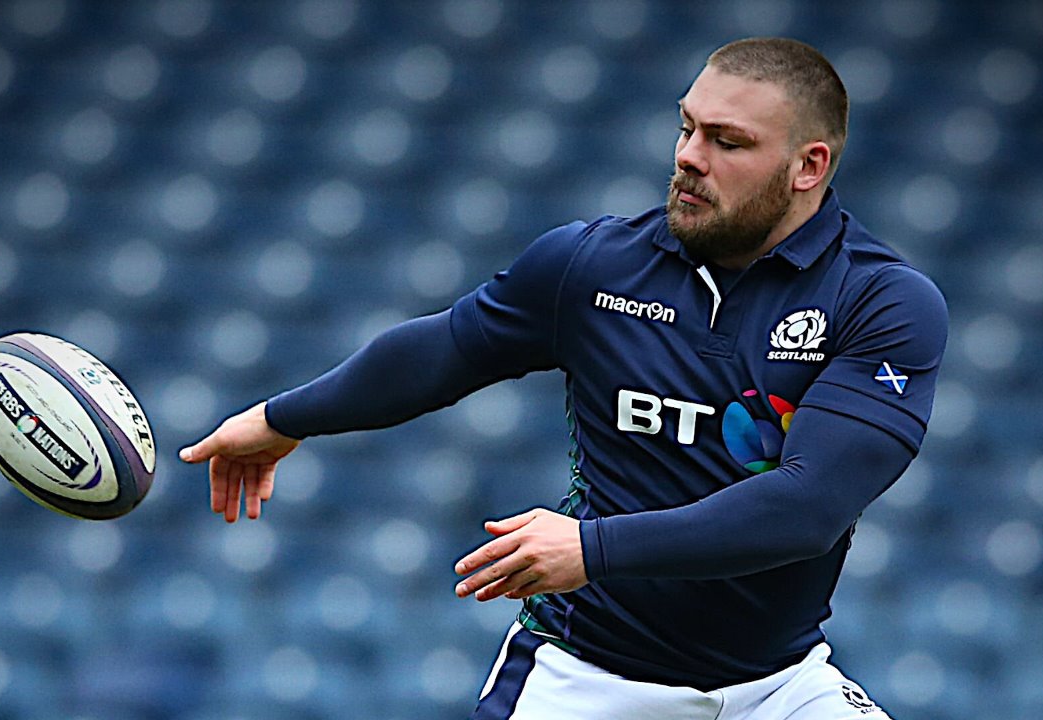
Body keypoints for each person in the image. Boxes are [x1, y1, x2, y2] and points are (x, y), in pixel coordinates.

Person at [180, 36, 947, 720]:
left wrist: (593, 547)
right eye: (686, 127)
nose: (689, 156)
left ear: (809, 166)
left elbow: (806, 508)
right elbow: (445, 350)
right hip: (585, 681)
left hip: (779, 691)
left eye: (727, 141)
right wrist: (281, 419)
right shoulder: (594, 266)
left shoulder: (880, 303)